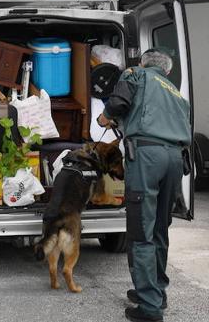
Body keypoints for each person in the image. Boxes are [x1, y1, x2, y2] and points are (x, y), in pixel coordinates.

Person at [97, 49, 191, 322]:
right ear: (168, 71)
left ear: (142, 63)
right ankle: (154, 291)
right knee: (160, 230)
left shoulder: (135, 74)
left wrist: (105, 118)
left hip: (147, 158)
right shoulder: (176, 92)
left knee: (141, 231)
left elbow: (117, 106)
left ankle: (150, 308)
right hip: (175, 159)